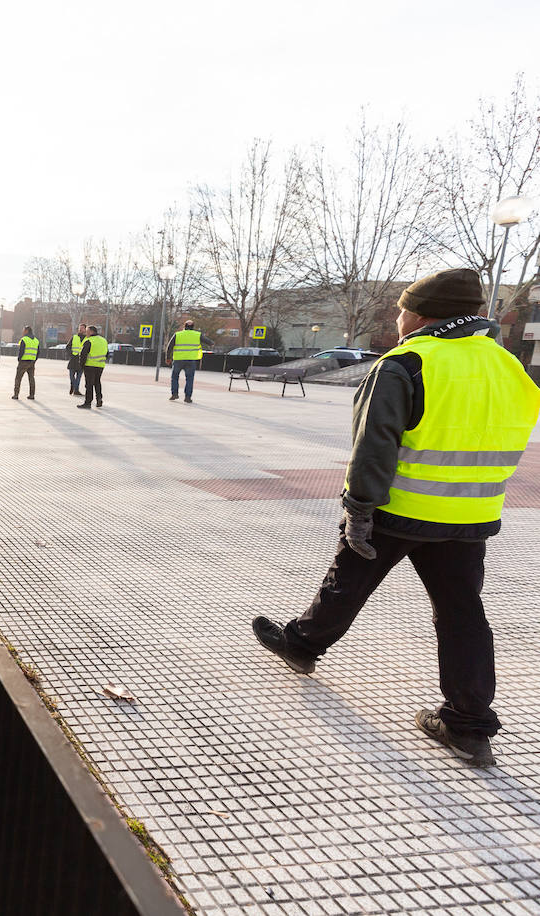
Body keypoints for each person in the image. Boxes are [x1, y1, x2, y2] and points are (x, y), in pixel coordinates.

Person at [253, 269, 540, 768]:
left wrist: (358, 509)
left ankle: (301, 645)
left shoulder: (407, 362)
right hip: (471, 514)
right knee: (462, 614)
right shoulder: (509, 365)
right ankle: (469, 727)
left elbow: (374, 446)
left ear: (424, 314)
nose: (397, 317)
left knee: (350, 581)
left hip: (397, 508)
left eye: (402, 308)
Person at [166, 320, 202, 403]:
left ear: (184, 326)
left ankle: (174, 394)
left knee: (174, 377)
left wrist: (168, 358)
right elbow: (209, 342)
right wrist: (212, 343)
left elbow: (169, 347)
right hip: (191, 361)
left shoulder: (178, 334)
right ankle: (188, 397)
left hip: (178, 360)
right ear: (193, 327)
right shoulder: (198, 335)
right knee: (189, 379)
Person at [77, 325, 108, 410]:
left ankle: (88, 403)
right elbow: (107, 353)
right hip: (100, 366)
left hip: (90, 365)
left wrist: (81, 365)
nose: (85, 333)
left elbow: (83, 354)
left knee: (89, 384)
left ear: (91, 332)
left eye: (87, 331)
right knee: (97, 382)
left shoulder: (88, 340)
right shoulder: (104, 340)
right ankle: (99, 399)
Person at [12, 325, 39, 400]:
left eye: (23, 330)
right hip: (32, 362)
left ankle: (16, 395)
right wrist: (34, 360)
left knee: (18, 378)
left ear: (26, 331)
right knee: (31, 378)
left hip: (23, 362)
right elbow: (38, 352)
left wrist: (19, 359)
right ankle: (32, 395)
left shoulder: (24, 339)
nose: (22, 331)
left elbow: (21, 351)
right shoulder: (36, 340)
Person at [67, 325, 85, 396]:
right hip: (73, 359)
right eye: (80, 328)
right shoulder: (74, 337)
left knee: (78, 377)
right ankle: (74, 387)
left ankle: (76, 390)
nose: (80, 329)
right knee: (71, 376)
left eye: (82, 328)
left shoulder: (87, 338)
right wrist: (71, 354)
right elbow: (68, 347)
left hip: (81, 360)